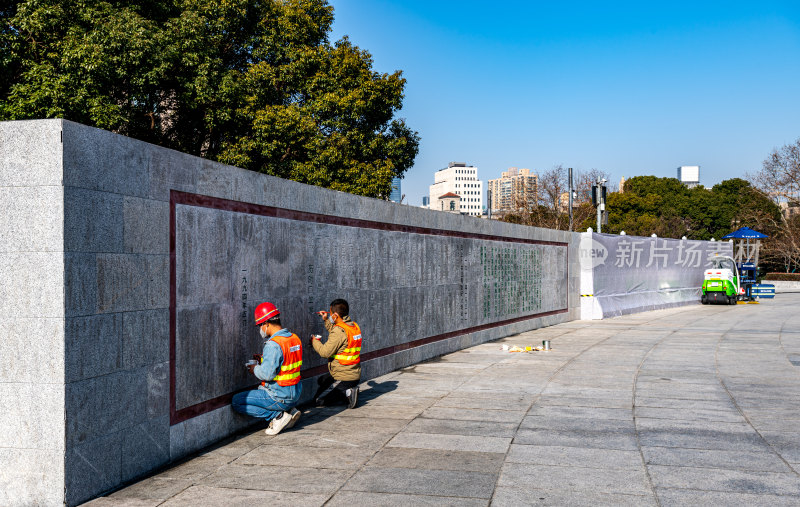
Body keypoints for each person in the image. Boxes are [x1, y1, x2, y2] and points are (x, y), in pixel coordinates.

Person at [232, 302, 303, 435]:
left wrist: (255, 368)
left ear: (267, 324)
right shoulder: (294, 338)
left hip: (279, 396)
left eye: (260, 325)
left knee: (237, 401)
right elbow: (286, 363)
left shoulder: (273, 344)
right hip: (295, 394)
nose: (260, 329)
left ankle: (277, 416)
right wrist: (264, 361)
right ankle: (289, 411)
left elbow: (267, 374)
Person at [310, 298, 361, 408]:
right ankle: (346, 390)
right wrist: (325, 320)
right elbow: (338, 332)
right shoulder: (353, 326)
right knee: (322, 381)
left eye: (330, 314)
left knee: (318, 401)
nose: (329, 316)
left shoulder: (339, 331)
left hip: (343, 377)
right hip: (353, 374)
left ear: (335, 315)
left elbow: (325, 352)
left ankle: (348, 393)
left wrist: (314, 341)